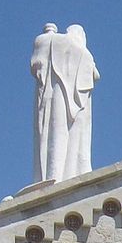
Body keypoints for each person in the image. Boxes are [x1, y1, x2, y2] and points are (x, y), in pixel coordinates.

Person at [30, 22, 100, 184]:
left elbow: (35, 65)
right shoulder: (84, 53)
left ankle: (54, 176)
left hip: (53, 95)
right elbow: (96, 75)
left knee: (53, 135)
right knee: (73, 141)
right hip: (76, 104)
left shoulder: (47, 40)